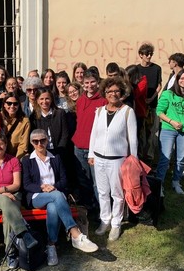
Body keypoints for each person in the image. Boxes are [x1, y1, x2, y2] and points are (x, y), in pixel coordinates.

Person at [22, 129, 98, 266]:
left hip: (55, 195)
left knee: (53, 207)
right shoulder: (27, 160)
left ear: (47, 140)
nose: (39, 144)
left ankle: (51, 246)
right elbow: (26, 184)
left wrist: (54, 187)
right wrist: (42, 187)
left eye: (42, 140)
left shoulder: (56, 158)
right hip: (37, 196)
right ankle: (75, 233)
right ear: (32, 143)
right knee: (56, 196)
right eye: (35, 141)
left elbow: (64, 180)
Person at [88, 77, 138, 241]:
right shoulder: (100, 111)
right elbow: (94, 134)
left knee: (117, 193)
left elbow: (133, 139)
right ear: (105, 93)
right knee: (102, 192)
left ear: (122, 93)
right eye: (110, 91)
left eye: (116, 91)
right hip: (99, 157)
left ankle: (116, 223)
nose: (113, 94)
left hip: (118, 159)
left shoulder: (127, 112)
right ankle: (105, 220)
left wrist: (134, 160)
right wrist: (91, 154)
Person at [0, 132, 38, 269]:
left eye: (1, 144)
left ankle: (10, 253)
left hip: (13, 195)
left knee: (7, 215)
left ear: (6, 145)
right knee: (6, 203)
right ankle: (24, 233)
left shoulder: (13, 161)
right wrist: (2, 194)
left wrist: (2, 191)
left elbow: (17, 185)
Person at [72, 70, 107, 209]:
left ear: (98, 82)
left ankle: (101, 210)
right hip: (79, 147)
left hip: (95, 148)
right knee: (83, 180)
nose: (90, 85)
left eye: (92, 82)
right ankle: (88, 206)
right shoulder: (80, 100)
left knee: (98, 182)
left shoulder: (103, 100)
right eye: (86, 83)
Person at [155, 69, 184, 195]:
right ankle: (159, 183)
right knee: (165, 157)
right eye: (182, 78)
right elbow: (159, 111)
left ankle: (176, 181)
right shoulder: (167, 94)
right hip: (168, 129)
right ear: (177, 80)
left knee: (181, 158)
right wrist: (171, 121)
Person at [137, 43, 162, 164]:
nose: (149, 56)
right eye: (147, 54)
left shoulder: (156, 68)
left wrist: (151, 98)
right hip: (140, 106)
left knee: (152, 132)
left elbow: (159, 86)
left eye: (151, 54)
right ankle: (140, 157)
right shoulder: (136, 69)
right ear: (141, 55)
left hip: (152, 105)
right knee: (141, 132)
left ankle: (150, 159)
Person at [29, 88, 69, 157]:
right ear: (37, 100)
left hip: (59, 152)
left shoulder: (60, 113)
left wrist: (60, 151)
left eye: (47, 98)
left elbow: (65, 134)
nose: (44, 101)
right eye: (41, 99)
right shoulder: (34, 117)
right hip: (42, 153)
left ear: (51, 100)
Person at [1, 92, 30, 159]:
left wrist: (15, 160)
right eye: (9, 103)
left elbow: (23, 145)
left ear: (19, 105)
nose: (12, 106)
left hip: (15, 156)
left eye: (15, 104)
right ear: (4, 104)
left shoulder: (24, 121)